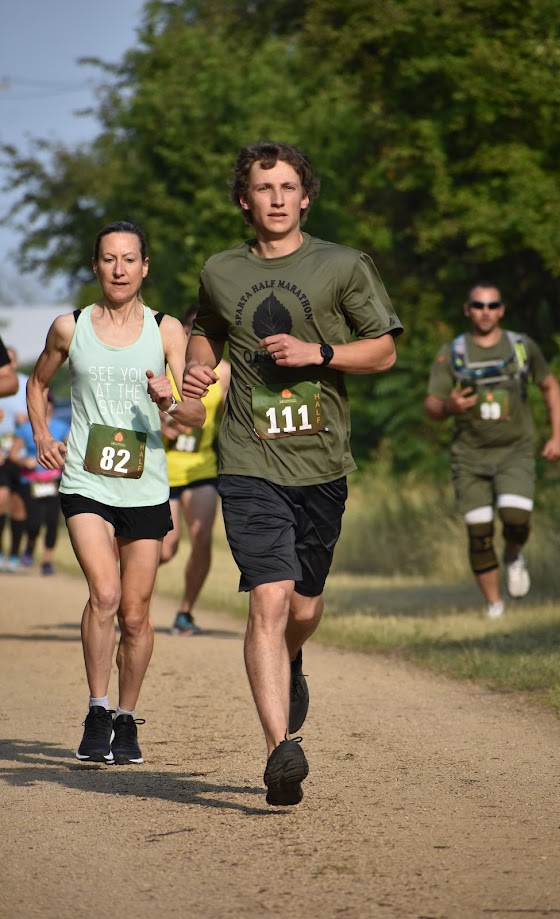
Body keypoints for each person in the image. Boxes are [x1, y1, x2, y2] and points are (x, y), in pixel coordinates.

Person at [182, 141, 403, 806]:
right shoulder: (220, 268)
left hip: (321, 462)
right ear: (243, 199)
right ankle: (280, 750)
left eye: (286, 187)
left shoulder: (342, 265)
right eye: (261, 187)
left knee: (302, 606)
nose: (275, 198)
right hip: (249, 460)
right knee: (268, 600)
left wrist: (320, 351)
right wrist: (198, 365)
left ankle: (293, 656)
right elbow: (207, 328)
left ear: (305, 196)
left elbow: (385, 349)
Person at [27, 220, 206, 766]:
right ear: (96, 265)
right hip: (85, 480)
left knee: (135, 613)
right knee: (103, 595)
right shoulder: (70, 326)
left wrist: (168, 399)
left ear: (145, 266)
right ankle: (97, 709)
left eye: (130, 259)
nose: (120, 269)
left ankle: (127, 720)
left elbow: (194, 411)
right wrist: (42, 436)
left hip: (146, 485)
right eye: (109, 259)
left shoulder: (167, 330)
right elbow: (37, 385)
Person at [424, 281, 560, 620]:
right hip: (469, 457)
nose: (485, 312)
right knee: (479, 532)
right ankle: (494, 605)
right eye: (478, 305)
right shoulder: (453, 353)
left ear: (501, 310)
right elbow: (431, 405)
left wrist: (557, 436)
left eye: (492, 306)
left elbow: (550, 386)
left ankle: (514, 553)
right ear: (467, 309)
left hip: (514, 450)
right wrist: (450, 407)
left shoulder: (521, 347)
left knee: (516, 518)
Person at [159, 304, 230, 635]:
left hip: (202, 467)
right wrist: (163, 425)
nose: (194, 338)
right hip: (163, 469)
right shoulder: (161, 369)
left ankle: (185, 612)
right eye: (189, 331)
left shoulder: (225, 373)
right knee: (166, 547)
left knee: (202, 538)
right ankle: (127, 591)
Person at [9, 390, 70, 574]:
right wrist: (23, 461)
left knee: (52, 521)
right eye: (43, 402)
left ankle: (47, 561)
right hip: (31, 481)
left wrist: (62, 467)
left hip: (53, 481)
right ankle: (29, 546)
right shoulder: (25, 428)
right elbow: (12, 454)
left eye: (49, 402)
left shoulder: (62, 426)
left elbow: (69, 452)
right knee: (34, 522)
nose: (46, 405)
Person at [0, 346, 29, 571]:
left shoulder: (25, 383)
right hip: (1, 451)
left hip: (22, 452)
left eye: (11, 360)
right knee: (1, 501)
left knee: (19, 506)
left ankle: (14, 556)